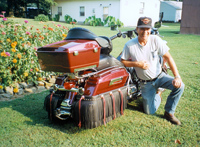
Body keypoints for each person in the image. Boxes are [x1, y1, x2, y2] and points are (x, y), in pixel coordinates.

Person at [121, 17, 185, 125]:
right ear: (137, 29)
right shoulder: (130, 45)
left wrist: (177, 76)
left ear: (150, 30)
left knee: (180, 86)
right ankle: (158, 93)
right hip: (145, 83)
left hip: (160, 76)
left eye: (147, 29)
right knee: (149, 112)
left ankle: (169, 112)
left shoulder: (155, 40)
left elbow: (168, 57)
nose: (144, 32)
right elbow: (123, 61)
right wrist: (137, 64)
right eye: (142, 29)